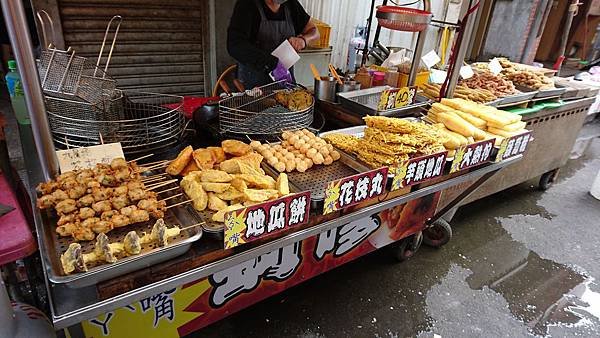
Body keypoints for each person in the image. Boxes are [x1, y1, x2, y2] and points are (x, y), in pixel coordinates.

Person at [227, 0, 319, 89]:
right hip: (253, 87)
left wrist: (304, 40)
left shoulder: (291, 4)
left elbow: (315, 32)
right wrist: (271, 63)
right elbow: (235, 45)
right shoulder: (247, 4)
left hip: (285, 83)